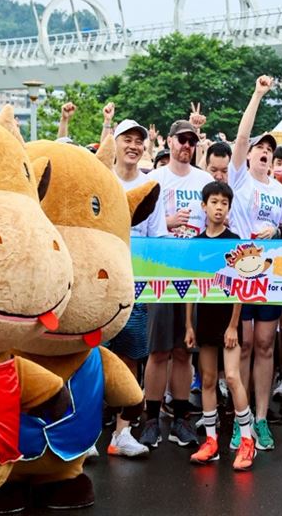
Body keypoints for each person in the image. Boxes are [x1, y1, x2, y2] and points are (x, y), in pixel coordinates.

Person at [228, 79, 282, 452]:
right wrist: (256, 94)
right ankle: (240, 421)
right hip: (238, 271)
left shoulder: (280, 191)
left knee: (265, 345)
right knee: (241, 345)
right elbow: (240, 139)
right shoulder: (238, 179)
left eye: (270, 151)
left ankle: (260, 416)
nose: (265, 154)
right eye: (260, 149)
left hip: (269, 273)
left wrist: (278, 234)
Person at [141, 117, 214, 450]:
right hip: (161, 271)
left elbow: (215, 218)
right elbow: (142, 225)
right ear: (168, 142)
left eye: (192, 141)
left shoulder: (205, 180)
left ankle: (182, 419)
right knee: (157, 351)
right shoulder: (154, 178)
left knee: (185, 351)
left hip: (194, 274)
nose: (186, 146)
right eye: (181, 140)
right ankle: (151, 420)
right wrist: (167, 222)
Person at [106, 109, 166, 458]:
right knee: (91, 357)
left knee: (129, 357)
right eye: (127, 139)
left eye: (138, 141)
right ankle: (83, 435)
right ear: (115, 144)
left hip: (135, 288)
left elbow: (157, 239)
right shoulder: (100, 179)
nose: (133, 146)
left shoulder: (149, 187)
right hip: (99, 286)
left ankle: (122, 433)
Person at [185, 181, 256, 470]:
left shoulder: (234, 241)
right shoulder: (196, 243)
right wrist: (189, 325)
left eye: (224, 203)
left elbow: (240, 288)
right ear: (204, 206)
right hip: (204, 320)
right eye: (214, 202)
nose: (219, 207)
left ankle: (247, 441)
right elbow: (190, 286)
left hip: (228, 322)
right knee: (208, 379)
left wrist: (233, 325)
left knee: (234, 377)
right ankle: (211, 441)